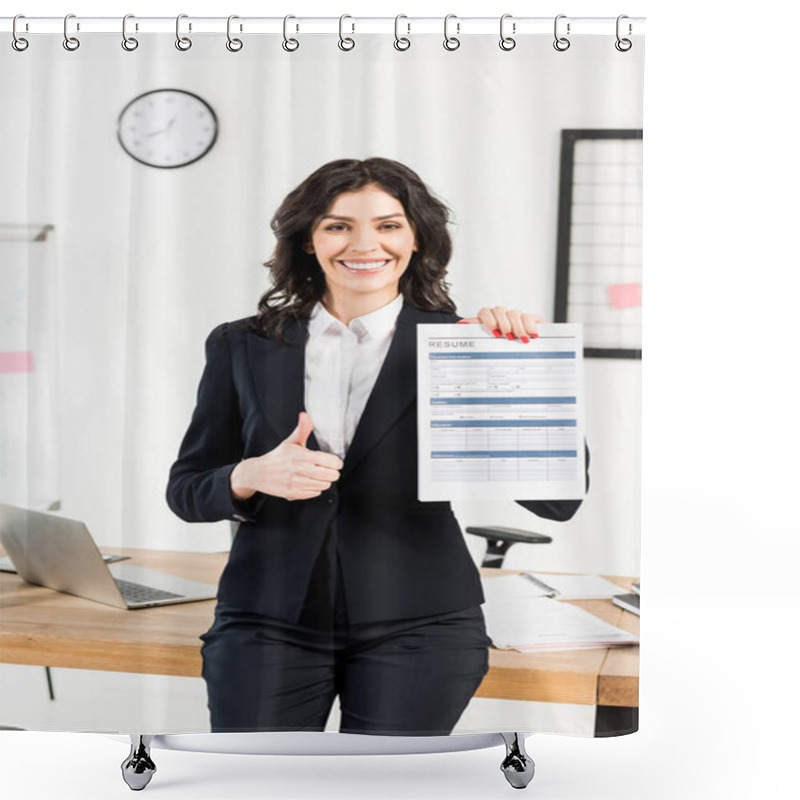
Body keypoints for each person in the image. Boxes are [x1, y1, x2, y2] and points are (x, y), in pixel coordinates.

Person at [166, 157, 585, 736]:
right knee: (254, 782)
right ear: (308, 240)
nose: (364, 243)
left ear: (417, 239)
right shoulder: (244, 344)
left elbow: (558, 503)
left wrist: (522, 362)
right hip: (267, 618)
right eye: (338, 225)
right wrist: (251, 474)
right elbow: (187, 491)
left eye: (388, 225)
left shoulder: (464, 345)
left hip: (420, 623)